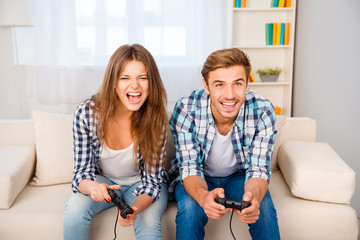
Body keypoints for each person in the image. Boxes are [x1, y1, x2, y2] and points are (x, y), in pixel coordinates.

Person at [168, 48, 280, 240]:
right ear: (206, 84)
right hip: (198, 177)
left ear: (247, 84)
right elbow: (189, 168)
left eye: (237, 83)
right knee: (190, 208)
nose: (229, 95)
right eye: (219, 84)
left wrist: (253, 197)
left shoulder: (263, 110)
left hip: (238, 177)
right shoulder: (186, 109)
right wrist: (204, 197)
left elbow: (259, 169)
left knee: (264, 207)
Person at [63, 44, 169, 240]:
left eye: (142, 78)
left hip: (143, 183)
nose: (135, 86)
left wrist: (135, 209)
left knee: (148, 222)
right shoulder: (87, 113)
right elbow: (81, 173)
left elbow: (153, 182)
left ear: (151, 83)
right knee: (74, 212)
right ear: (113, 82)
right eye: (125, 78)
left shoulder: (156, 118)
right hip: (104, 181)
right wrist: (95, 188)